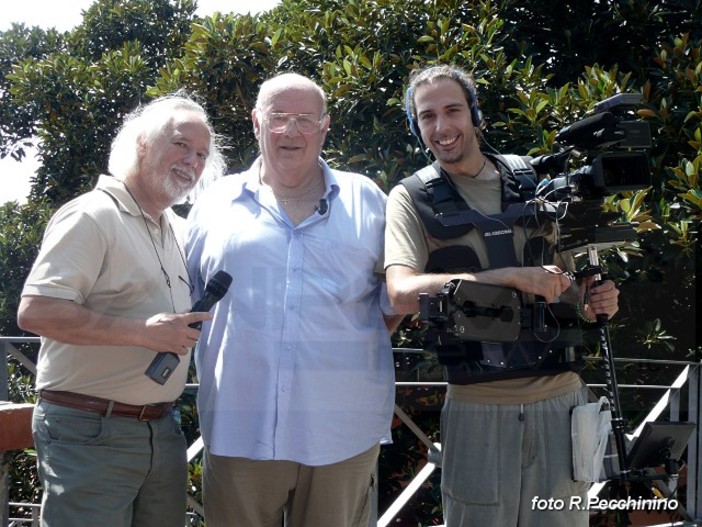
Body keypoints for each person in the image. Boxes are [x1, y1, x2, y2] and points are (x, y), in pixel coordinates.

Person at [384, 64, 621, 526]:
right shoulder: (410, 198)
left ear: (474, 115)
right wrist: (510, 276)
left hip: (562, 402)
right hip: (478, 405)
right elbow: (401, 293)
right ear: (417, 127)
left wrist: (596, 298)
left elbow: (571, 286)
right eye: (427, 116)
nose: (442, 127)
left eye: (452, 110)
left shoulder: (537, 181)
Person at [185, 72, 402, 527]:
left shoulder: (368, 200)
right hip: (238, 427)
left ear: (324, 127)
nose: (291, 131)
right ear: (255, 123)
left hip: (342, 432)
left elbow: (393, 301)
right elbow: (183, 298)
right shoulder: (212, 202)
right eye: (278, 117)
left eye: (305, 119)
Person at [17, 93, 225, 527]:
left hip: (160, 430)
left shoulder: (179, 229)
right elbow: (37, 312)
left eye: (202, 154)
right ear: (142, 144)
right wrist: (143, 333)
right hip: (89, 428)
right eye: (181, 144)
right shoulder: (92, 215)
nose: (193, 160)